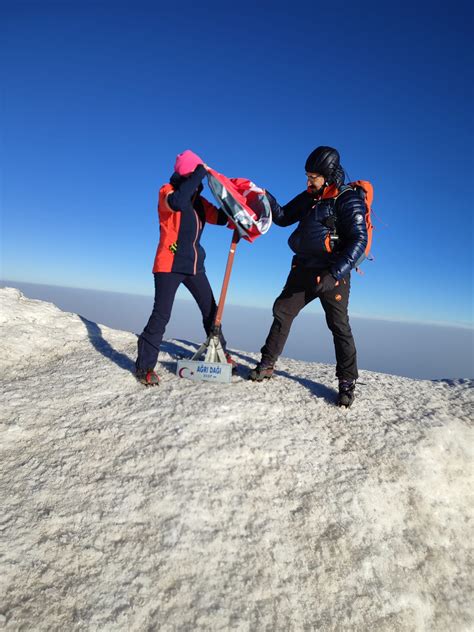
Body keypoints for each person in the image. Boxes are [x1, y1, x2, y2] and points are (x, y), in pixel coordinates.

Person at [249, 146, 368, 407]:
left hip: (332, 272)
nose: (307, 181)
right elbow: (282, 217)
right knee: (283, 310)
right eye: (307, 176)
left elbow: (360, 239)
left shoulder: (348, 200)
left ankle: (347, 382)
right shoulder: (308, 197)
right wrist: (265, 197)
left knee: (338, 325)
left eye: (312, 176)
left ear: (327, 175)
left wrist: (334, 273)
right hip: (303, 269)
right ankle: (267, 363)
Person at [136, 150, 235, 385]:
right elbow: (177, 203)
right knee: (162, 315)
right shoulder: (167, 192)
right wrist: (200, 172)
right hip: (169, 264)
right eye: (195, 174)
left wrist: (236, 206)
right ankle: (144, 367)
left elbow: (221, 218)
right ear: (188, 174)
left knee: (212, 311)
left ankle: (221, 353)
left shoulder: (199, 203)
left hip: (194, 266)